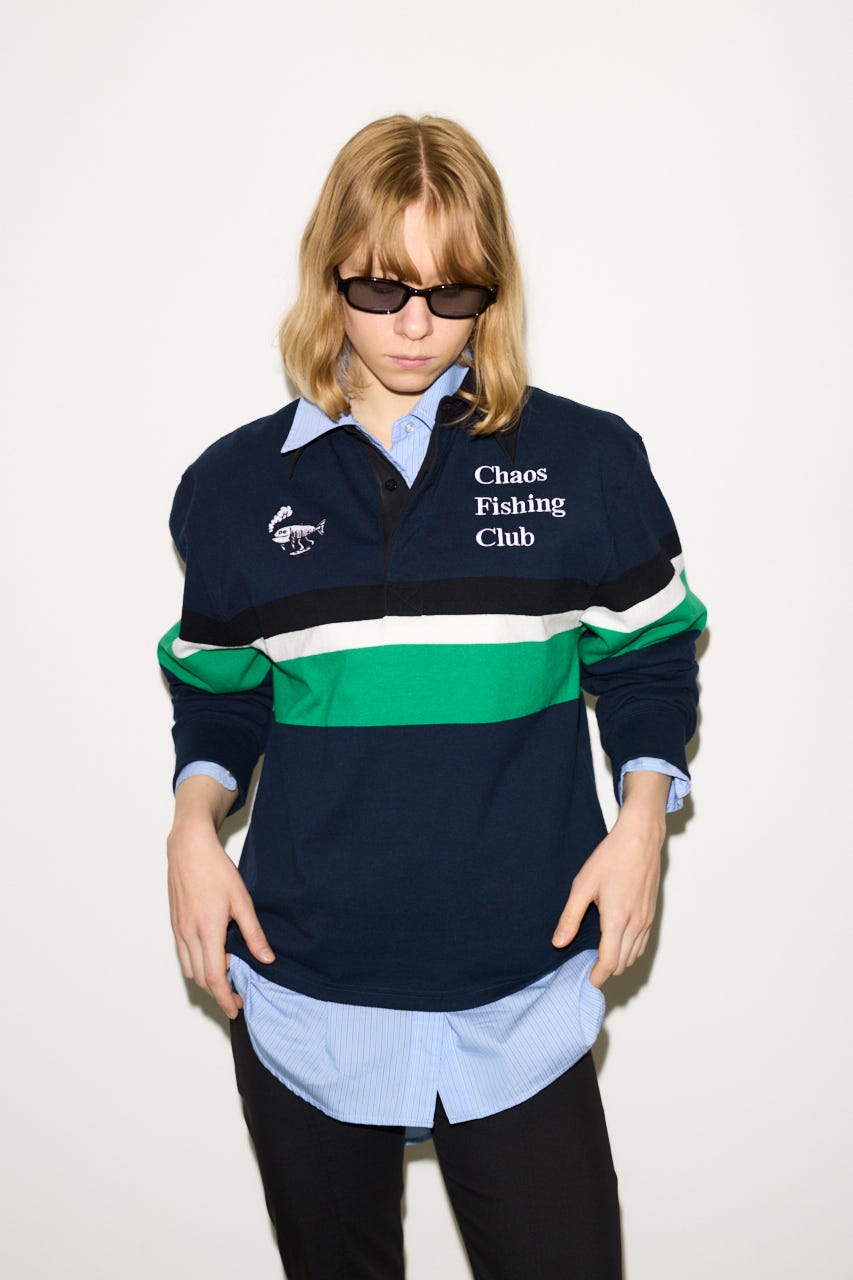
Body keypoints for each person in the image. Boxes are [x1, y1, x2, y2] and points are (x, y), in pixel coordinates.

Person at [159, 114, 706, 1280]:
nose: (415, 324)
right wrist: (193, 825)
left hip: (522, 985)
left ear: (490, 289)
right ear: (329, 272)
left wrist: (641, 820)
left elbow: (648, 659)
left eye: (450, 291)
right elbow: (221, 695)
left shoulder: (586, 463)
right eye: (380, 286)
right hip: (305, 991)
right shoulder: (233, 489)